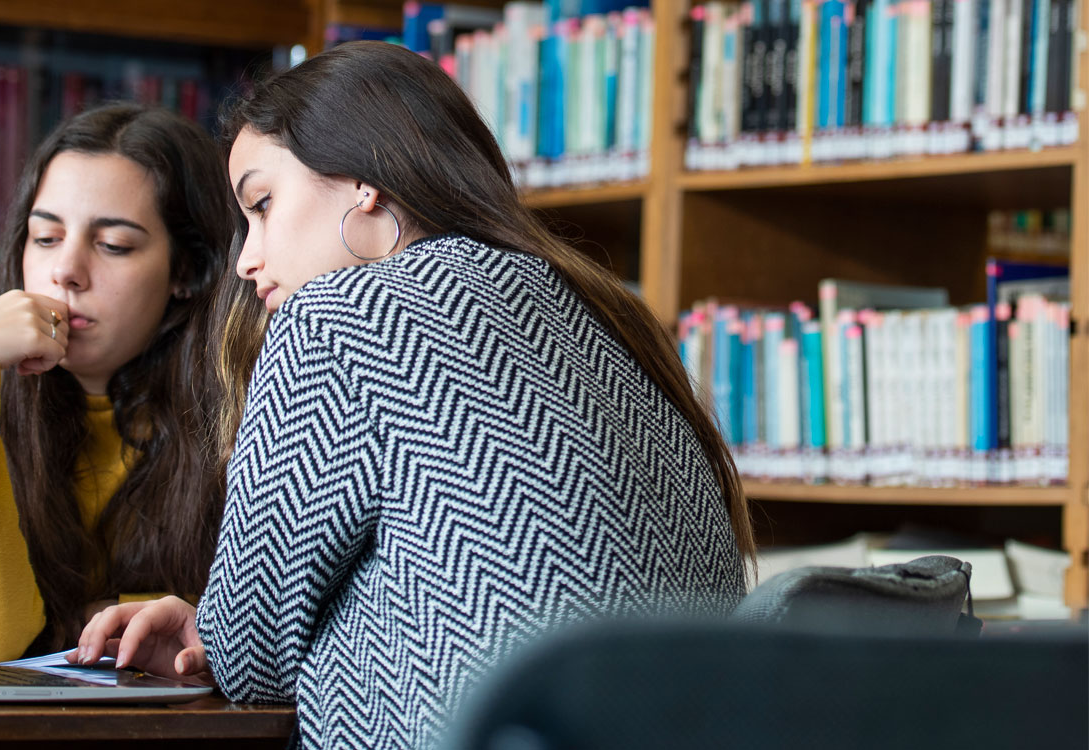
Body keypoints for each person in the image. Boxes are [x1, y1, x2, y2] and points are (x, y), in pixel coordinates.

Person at [72, 42, 755, 747]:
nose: (246, 259)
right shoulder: (604, 309)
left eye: (264, 204)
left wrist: (220, 629)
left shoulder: (340, 315)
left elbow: (252, 660)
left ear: (364, 183)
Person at [0, 104, 236, 663]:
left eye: (112, 245)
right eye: (45, 237)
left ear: (186, 271)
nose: (66, 270)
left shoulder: (245, 409)